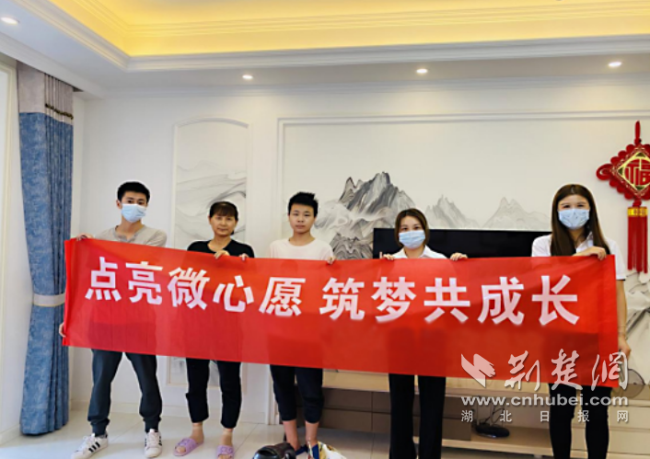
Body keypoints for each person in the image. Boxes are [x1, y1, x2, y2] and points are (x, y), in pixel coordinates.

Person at [60, 182, 167, 459]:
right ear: (118, 203)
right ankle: (98, 433)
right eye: (130, 200)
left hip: (140, 319)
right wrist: (87, 248)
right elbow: (88, 279)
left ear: (147, 206)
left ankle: (152, 429)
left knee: (147, 377)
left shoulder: (156, 236)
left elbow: (136, 265)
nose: (135, 206)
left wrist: (98, 250)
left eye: (141, 202)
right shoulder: (101, 237)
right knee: (101, 378)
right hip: (105, 319)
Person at [532, 184, 631, 459]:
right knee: (561, 409)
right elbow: (541, 283)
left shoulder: (609, 246)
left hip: (598, 338)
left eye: (580, 205)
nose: (573, 211)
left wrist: (621, 335)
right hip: (558, 338)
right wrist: (579, 259)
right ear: (556, 211)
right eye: (566, 206)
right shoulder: (543, 244)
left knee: (596, 411)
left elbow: (618, 294)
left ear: (590, 210)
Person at [382, 208, 467, 459]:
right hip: (400, 338)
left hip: (433, 340)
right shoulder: (389, 263)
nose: (411, 232)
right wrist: (381, 270)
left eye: (416, 227)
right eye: (404, 228)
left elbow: (458, 298)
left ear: (425, 231)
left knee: (432, 403)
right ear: (397, 234)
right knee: (400, 402)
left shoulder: (441, 261)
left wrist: (462, 267)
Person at [174, 201, 254, 459]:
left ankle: (226, 435)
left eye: (229, 218)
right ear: (210, 219)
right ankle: (196, 432)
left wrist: (237, 265)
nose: (223, 223)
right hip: (197, 325)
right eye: (219, 217)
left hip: (230, 327)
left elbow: (250, 288)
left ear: (236, 223)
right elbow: (185, 282)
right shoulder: (195, 249)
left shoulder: (244, 252)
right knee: (196, 380)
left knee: (229, 381)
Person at [267, 192, 335, 459]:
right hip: (279, 329)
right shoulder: (276, 247)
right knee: (282, 385)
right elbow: (265, 282)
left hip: (310, 330)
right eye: (296, 213)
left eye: (306, 214)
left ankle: (311, 440)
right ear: (288, 216)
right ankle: (292, 441)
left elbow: (329, 288)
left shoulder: (323, 249)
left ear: (314, 218)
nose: (300, 219)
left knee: (310, 387)